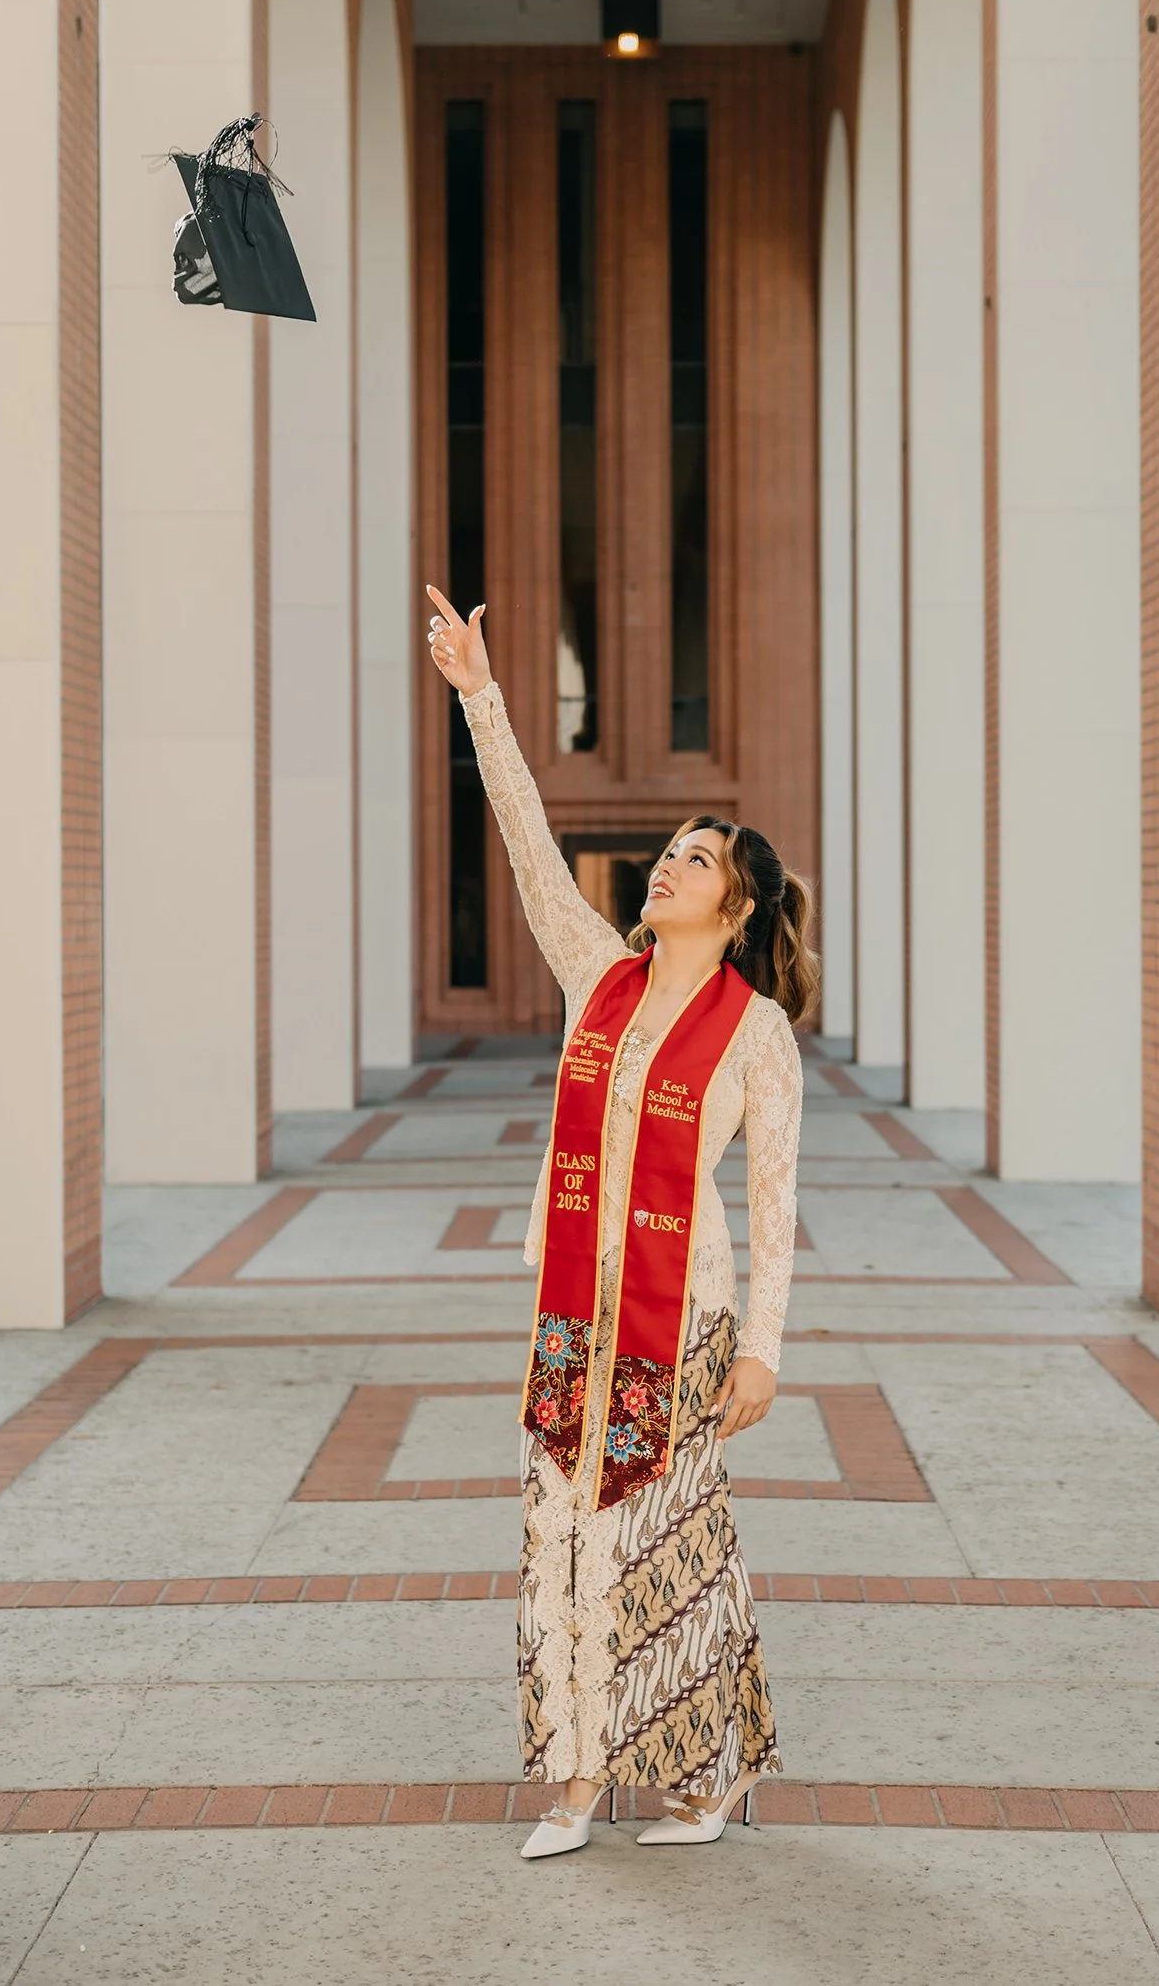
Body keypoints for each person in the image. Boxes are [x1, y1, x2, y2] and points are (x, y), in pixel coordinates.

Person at [425, 586, 814, 1858]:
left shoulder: (754, 1034)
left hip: (681, 1316)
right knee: (562, 1530)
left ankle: (710, 1767)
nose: (669, 864)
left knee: (668, 1543)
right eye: (669, 852)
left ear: (738, 906)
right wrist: (482, 695)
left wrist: (764, 1348)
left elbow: (776, 1199)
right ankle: (577, 1778)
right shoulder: (602, 975)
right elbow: (529, 842)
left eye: (697, 858)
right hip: (568, 1315)